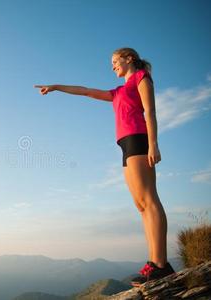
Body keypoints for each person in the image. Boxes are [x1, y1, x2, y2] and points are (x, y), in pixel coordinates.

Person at [34, 47, 175, 286]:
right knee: (141, 205)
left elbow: (150, 112)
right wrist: (57, 87)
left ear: (129, 58)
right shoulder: (118, 91)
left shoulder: (141, 78)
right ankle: (154, 263)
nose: (112, 66)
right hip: (125, 144)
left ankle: (161, 265)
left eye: (115, 61)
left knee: (150, 199)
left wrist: (153, 145)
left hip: (139, 139)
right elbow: (87, 91)